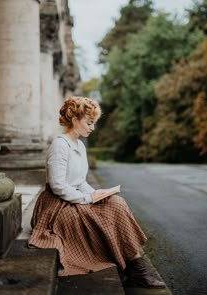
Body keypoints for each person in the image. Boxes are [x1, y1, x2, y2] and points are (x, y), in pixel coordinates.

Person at [28, 96, 165, 288]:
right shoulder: (60, 145)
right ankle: (135, 268)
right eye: (89, 122)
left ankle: (135, 262)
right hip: (56, 205)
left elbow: (81, 181)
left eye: (94, 123)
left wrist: (96, 194)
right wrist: (86, 199)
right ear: (75, 119)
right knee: (98, 214)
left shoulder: (80, 146)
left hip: (74, 196)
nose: (92, 127)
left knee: (116, 203)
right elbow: (57, 185)